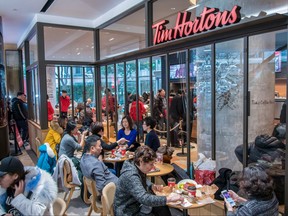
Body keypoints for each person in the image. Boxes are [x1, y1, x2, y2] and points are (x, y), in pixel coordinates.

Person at [114, 145, 183, 216]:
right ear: (141, 161)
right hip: (127, 211)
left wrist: (151, 185)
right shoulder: (131, 176)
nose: (153, 167)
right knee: (160, 204)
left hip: (135, 205)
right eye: (151, 164)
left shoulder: (135, 165)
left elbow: (141, 179)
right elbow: (144, 198)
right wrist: (168, 199)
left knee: (161, 206)